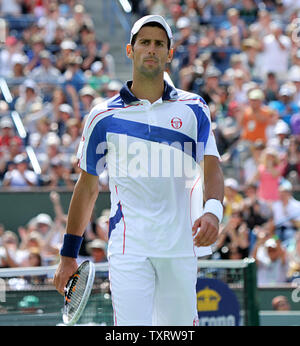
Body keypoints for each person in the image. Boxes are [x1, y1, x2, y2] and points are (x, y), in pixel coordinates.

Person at [54, 15, 224, 326]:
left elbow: (212, 166)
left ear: (169, 54)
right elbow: (87, 187)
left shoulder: (195, 108)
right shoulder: (101, 116)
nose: (152, 49)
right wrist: (68, 256)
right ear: (130, 50)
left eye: (159, 44)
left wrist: (213, 211)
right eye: (144, 42)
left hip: (180, 248)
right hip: (128, 250)